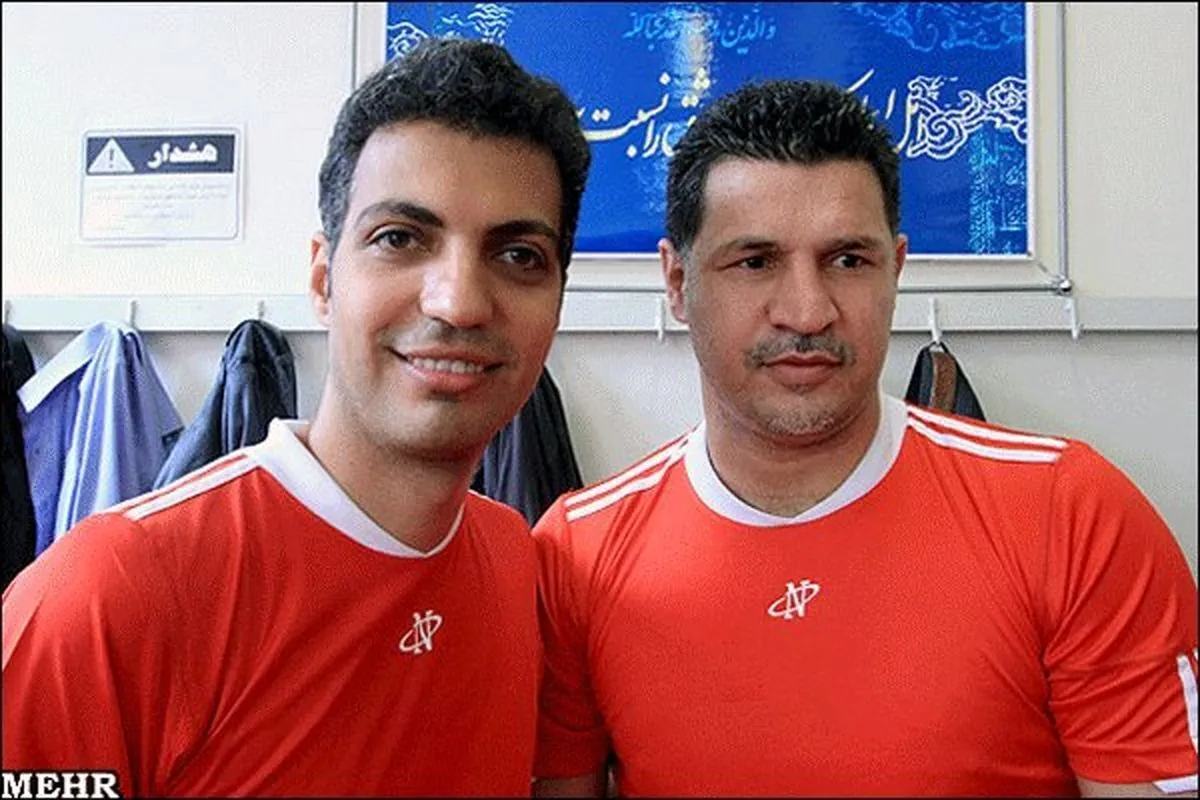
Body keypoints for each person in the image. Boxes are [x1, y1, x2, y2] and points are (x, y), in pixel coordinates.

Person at [531, 79, 1198, 798]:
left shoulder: (1069, 513)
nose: (807, 311)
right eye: (754, 261)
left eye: (848, 260)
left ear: (895, 269)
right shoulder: (576, 554)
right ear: (676, 282)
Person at [3, 37, 590, 797]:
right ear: (322, 280)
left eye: (518, 256)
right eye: (399, 239)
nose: (458, 302)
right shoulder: (111, 591)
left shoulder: (516, 562)